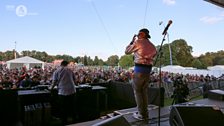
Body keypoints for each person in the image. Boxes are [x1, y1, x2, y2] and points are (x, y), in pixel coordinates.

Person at [125, 28, 157, 121]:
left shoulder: (138, 42)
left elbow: (127, 51)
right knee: (144, 92)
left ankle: (140, 114)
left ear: (142, 34)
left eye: (139, 34)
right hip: (148, 71)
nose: (138, 36)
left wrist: (132, 42)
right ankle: (145, 113)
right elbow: (154, 55)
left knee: (137, 92)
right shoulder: (153, 46)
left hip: (139, 70)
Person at [51, 60, 77, 125]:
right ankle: (75, 121)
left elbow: (54, 82)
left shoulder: (56, 71)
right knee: (73, 107)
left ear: (61, 64)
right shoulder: (70, 70)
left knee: (63, 108)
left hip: (62, 92)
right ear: (66, 64)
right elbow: (75, 80)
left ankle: (64, 122)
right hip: (72, 91)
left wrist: (50, 88)